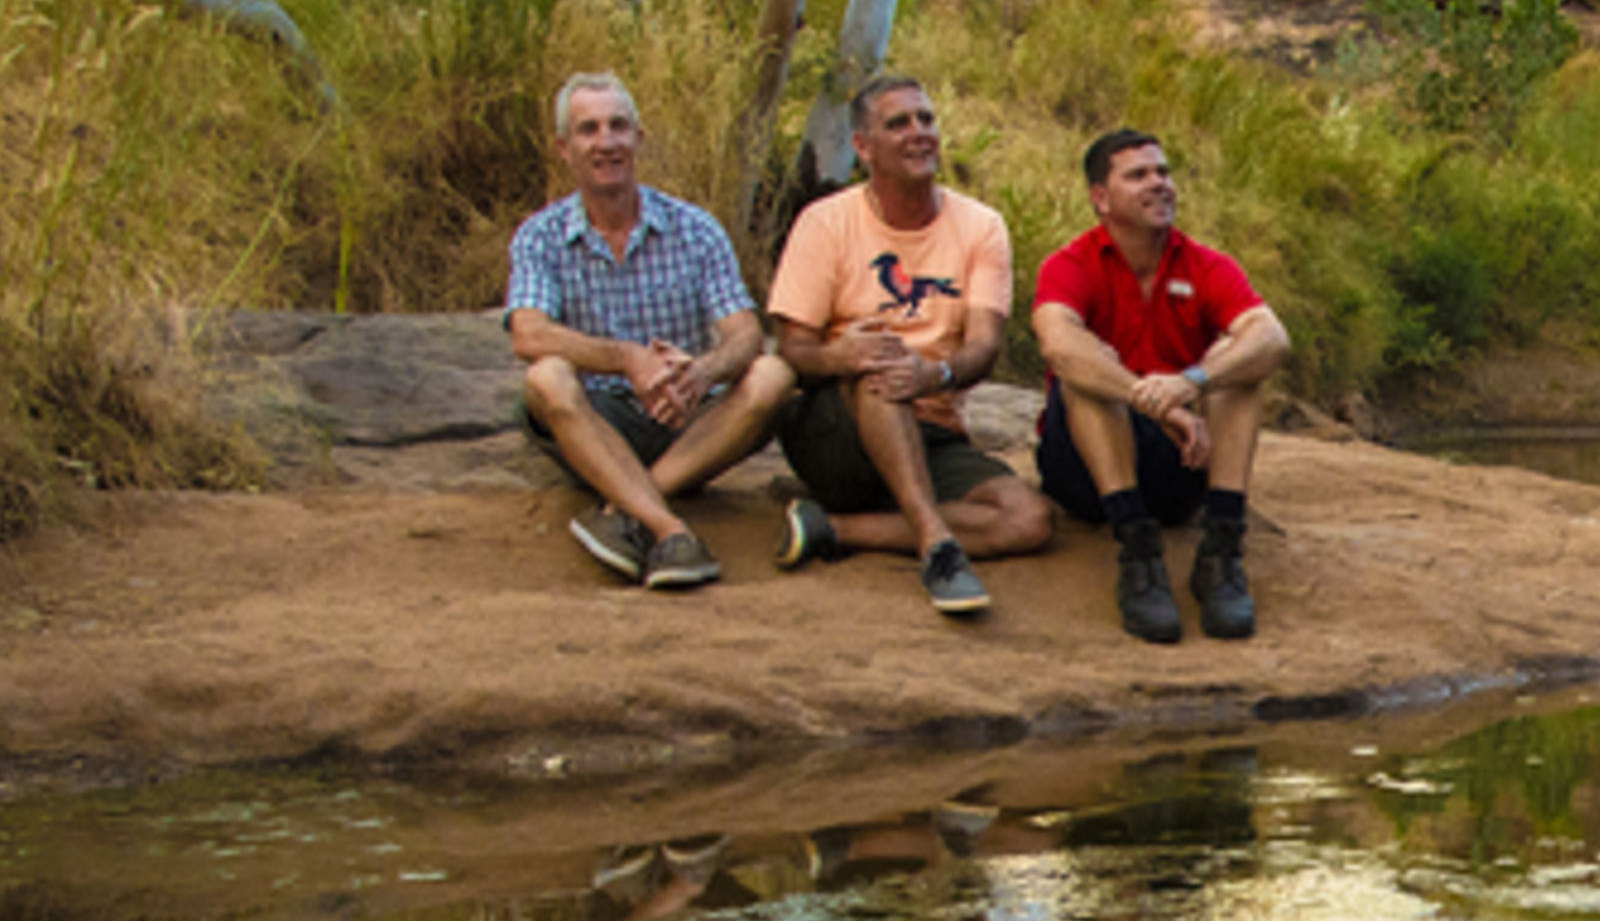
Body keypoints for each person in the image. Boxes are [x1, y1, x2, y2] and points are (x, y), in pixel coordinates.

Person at [768, 73, 1054, 618]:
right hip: (837, 428)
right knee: (881, 363)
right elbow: (793, 354)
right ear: (863, 146)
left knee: (1028, 519)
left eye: (926, 119)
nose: (919, 132)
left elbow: (984, 347)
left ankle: (833, 528)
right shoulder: (824, 223)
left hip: (931, 429)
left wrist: (936, 376)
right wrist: (840, 358)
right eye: (898, 123)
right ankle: (937, 547)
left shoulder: (981, 226)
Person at [506, 71, 793, 589]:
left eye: (618, 126)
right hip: (596, 419)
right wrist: (629, 360)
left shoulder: (695, 227)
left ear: (638, 138)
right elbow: (528, 334)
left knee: (772, 375)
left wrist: (700, 374)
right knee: (546, 378)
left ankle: (621, 508)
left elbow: (746, 333)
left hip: (686, 419)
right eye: (588, 129)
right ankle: (669, 527)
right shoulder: (540, 235)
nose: (606, 142)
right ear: (563, 148)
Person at [1032, 126, 1292, 644]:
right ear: (1101, 198)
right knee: (1087, 364)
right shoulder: (1069, 265)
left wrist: (1192, 381)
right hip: (1085, 470)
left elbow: (1272, 337)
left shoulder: (1204, 263)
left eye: (1164, 172)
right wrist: (1151, 400)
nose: (1159, 184)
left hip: (1182, 464)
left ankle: (1221, 550)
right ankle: (1138, 555)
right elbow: (1058, 343)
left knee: (1236, 360)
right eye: (1138, 175)